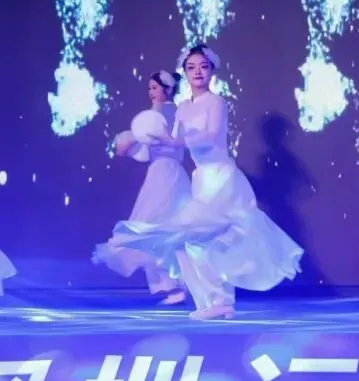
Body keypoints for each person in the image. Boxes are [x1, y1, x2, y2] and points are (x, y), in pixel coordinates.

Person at [96, 44, 304, 320]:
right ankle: (212, 301)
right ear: (184, 72)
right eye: (191, 67)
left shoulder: (217, 103)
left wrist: (172, 140)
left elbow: (209, 136)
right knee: (186, 243)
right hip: (201, 180)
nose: (197, 72)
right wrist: (141, 140)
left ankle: (220, 300)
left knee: (202, 238)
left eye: (203, 67)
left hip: (221, 177)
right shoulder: (182, 108)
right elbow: (172, 141)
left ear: (211, 71)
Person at [94, 70, 190, 304]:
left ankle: (172, 285)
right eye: (149, 88)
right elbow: (135, 147)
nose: (151, 92)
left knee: (157, 224)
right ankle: (172, 285)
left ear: (168, 89)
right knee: (162, 225)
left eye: (155, 88)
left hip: (166, 172)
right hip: (164, 172)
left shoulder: (165, 113)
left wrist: (132, 139)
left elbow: (143, 143)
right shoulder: (164, 114)